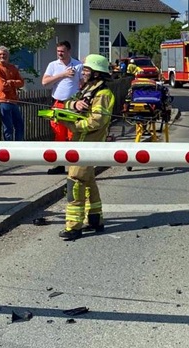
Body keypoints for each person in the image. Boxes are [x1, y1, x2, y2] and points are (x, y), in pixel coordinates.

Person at [54, 54, 115, 241]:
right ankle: (95, 219)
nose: (84, 72)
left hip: (89, 144)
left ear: (96, 73)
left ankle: (74, 227)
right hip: (81, 143)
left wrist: (73, 125)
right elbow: (67, 102)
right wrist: (75, 104)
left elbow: (97, 120)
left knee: (75, 181)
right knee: (88, 181)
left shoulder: (103, 94)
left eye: (87, 70)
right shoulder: (87, 89)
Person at [41, 40, 82, 175]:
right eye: (58, 51)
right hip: (58, 104)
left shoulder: (78, 65)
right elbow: (45, 82)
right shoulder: (53, 65)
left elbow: (83, 83)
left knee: (72, 135)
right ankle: (59, 165)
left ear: (69, 51)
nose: (60, 54)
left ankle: (74, 166)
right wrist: (62, 75)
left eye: (62, 51)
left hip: (72, 105)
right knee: (58, 135)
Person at [0, 45, 25, 142]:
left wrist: (10, 82)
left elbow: (22, 82)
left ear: (8, 55)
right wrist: (14, 83)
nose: (2, 56)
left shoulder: (12, 67)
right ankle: (8, 146)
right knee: (8, 127)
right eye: (0, 54)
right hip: (4, 101)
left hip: (14, 101)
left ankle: (19, 145)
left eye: (4, 54)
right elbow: (3, 87)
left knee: (19, 125)